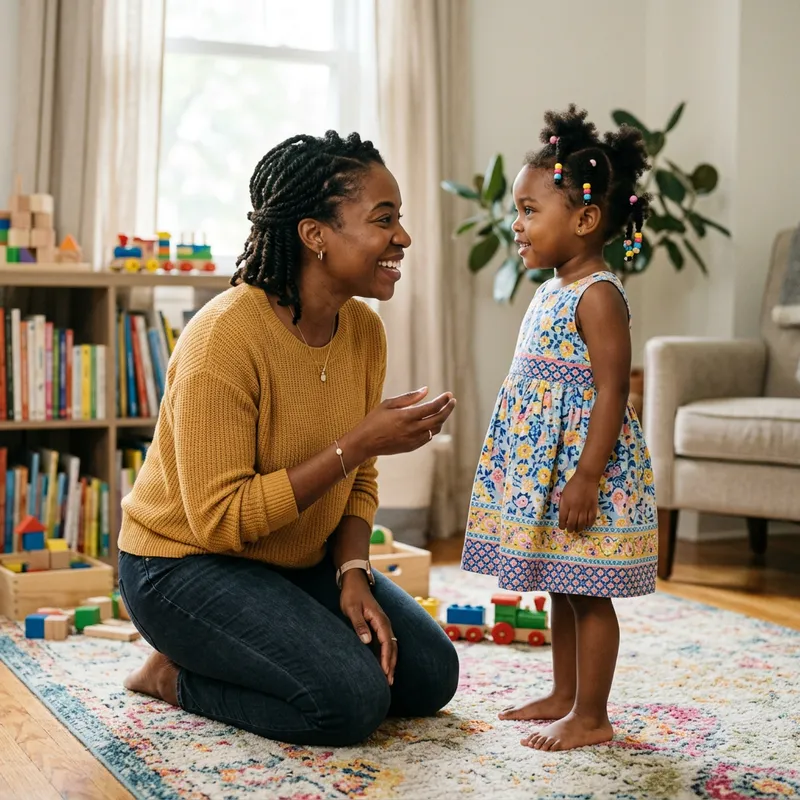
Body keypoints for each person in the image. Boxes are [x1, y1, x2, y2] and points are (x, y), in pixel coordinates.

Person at [118, 130, 459, 746]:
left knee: (431, 675)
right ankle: (171, 677)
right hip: (182, 567)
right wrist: (358, 442)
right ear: (315, 235)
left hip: (293, 561)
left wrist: (352, 571)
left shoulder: (363, 331)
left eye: (400, 219)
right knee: (350, 703)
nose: (403, 238)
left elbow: (359, 481)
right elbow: (220, 521)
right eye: (384, 220)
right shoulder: (223, 339)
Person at [461, 105, 658, 751]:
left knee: (590, 593)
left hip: (583, 472)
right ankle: (563, 693)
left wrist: (587, 476)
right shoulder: (551, 287)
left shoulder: (597, 294)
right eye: (516, 211)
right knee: (561, 583)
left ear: (584, 220)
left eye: (528, 210)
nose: (516, 224)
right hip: (549, 469)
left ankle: (592, 715)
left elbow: (612, 391)